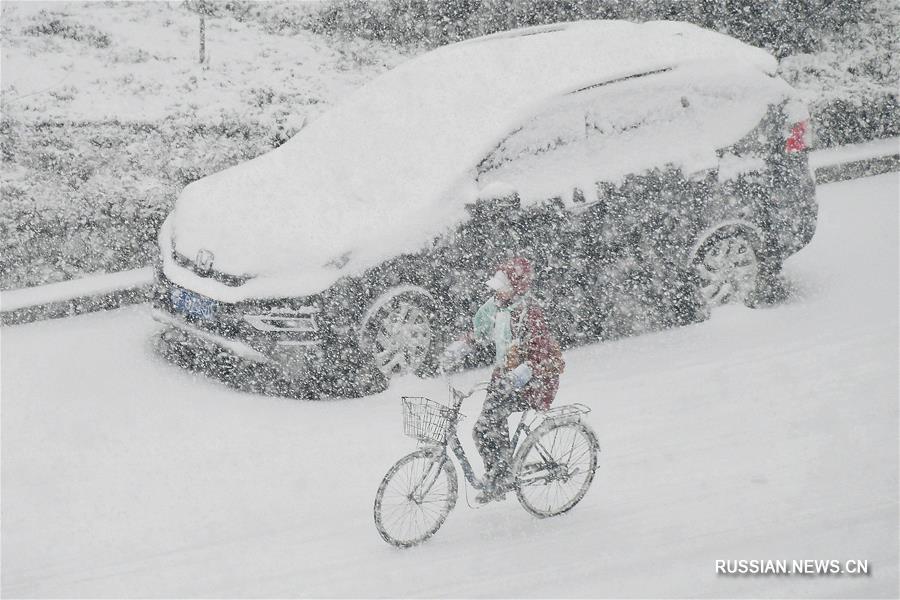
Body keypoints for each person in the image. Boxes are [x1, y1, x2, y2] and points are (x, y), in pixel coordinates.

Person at [444, 256, 566, 503]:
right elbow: (481, 330)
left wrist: (523, 372)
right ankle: (499, 473)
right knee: (485, 429)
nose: (497, 291)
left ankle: (501, 477)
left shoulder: (529, 314)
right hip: (504, 379)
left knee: (486, 427)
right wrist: (462, 345)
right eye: (497, 287)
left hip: (532, 383)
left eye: (503, 287)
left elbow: (541, 355)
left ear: (516, 288)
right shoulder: (497, 307)